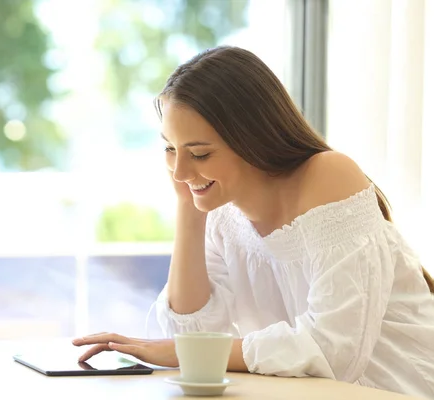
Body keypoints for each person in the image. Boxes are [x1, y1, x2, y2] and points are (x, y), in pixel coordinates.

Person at [72, 46, 434, 398]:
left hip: (398, 390)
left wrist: (177, 351)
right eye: (170, 148)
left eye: (199, 153)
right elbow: (194, 330)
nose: (180, 170)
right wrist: (189, 208)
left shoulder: (328, 175)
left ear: (251, 139)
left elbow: (332, 351)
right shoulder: (222, 211)